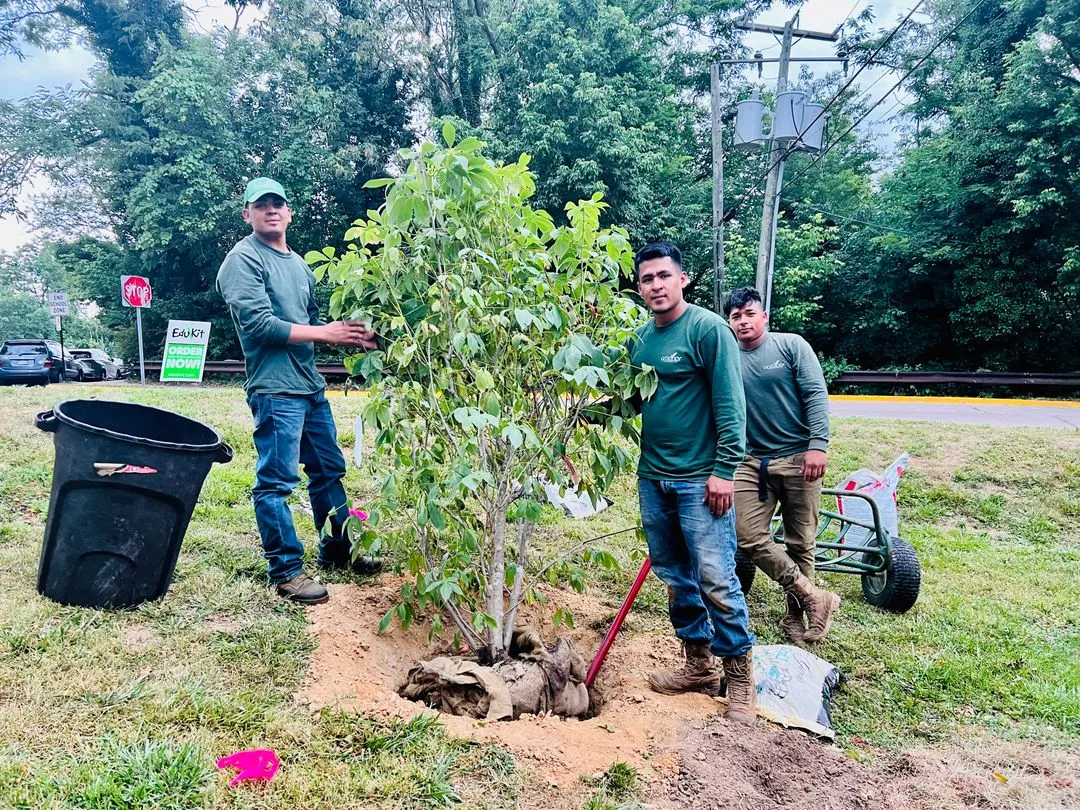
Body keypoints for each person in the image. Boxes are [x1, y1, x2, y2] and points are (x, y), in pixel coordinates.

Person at [217, 177, 381, 605]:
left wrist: (358, 335)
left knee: (329, 471)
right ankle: (287, 569)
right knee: (276, 482)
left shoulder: (299, 264)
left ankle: (338, 550)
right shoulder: (242, 260)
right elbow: (259, 325)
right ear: (248, 214)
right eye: (262, 204)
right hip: (275, 390)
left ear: (289, 212)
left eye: (279, 203)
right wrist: (327, 334)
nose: (272, 210)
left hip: (309, 387)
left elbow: (313, 320)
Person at [630, 242, 756, 724]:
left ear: (682, 279)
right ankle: (698, 664)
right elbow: (632, 403)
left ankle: (739, 675)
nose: (656, 285)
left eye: (664, 275)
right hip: (654, 478)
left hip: (701, 481)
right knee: (675, 575)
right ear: (639, 286)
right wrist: (579, 417)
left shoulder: (708, 329)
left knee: (716, 577)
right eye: (647, 278)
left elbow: (731, 405)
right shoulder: (640, 341)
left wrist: (725, 471)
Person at [724, 286, 840, 644]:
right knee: (747, 535)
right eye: (735, 316)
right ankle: (813, 596)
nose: (743, 321)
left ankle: (795, 616)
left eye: (749, 313)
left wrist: (817, 446)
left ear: (763, 316)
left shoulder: (790, 346)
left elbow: (815, 394)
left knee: (800, 541)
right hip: (750, 461)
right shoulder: (727, 357)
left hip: (798, 457)